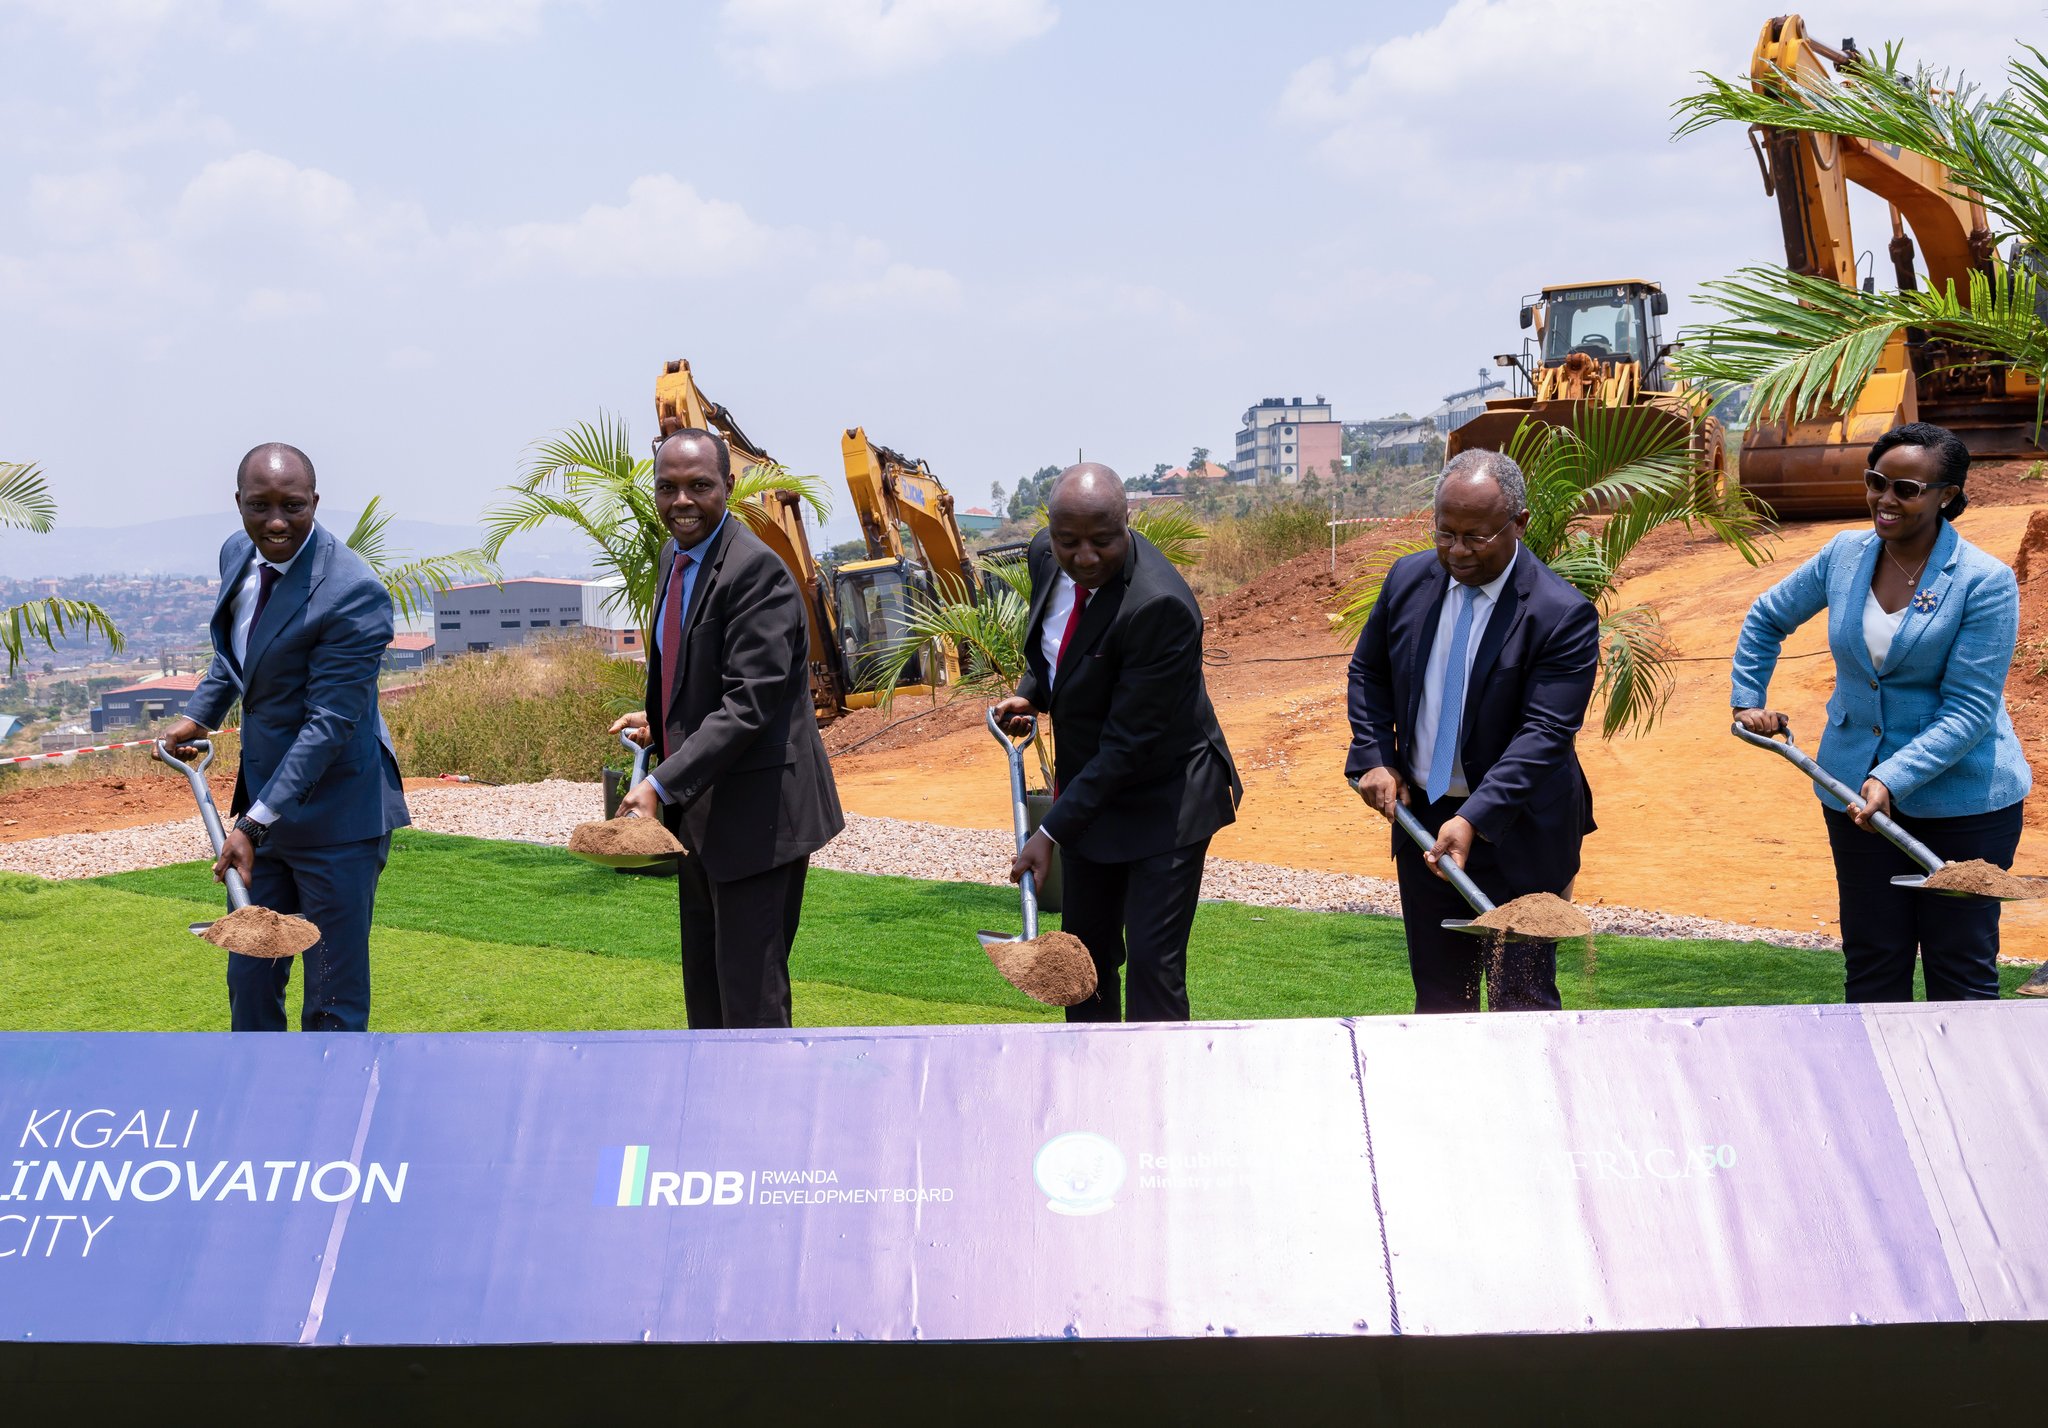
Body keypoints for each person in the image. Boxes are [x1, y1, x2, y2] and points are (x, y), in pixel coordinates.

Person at [1733, 421, 2032, 1001]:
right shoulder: (1844, 555)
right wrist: (1749, 699)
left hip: (1964, 805)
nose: (1885, 499)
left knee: (1961, 968)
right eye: (1877, 482)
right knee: (1872, 962)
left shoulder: (1983, 581)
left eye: (1906, 489)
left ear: (1946, 495)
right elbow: (1766, 616)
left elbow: (1970, 709)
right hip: (1853, 798)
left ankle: (1960, 1067)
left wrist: (1890, 777)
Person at [161, 443, 410, 1032]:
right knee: (249, 979)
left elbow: (330, 724)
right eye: (260, 506)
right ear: (239, 503)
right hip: (264, 809)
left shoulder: (353, 592)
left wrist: (250, 826)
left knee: (330, 996)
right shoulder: (237, 552)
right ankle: (258, 1085)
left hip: (338, 816)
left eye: (292, 506)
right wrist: (201, 715)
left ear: (315, 501)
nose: (276, 522)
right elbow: (239, 652)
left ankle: (329, 1091)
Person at [1345, 448, 1599, 1013]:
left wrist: (1474, 818)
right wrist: (1375, 756)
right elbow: (1369, 672)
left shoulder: (1561, 613)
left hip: (1519, 830)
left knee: (1521, 1001)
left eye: (1475, 537)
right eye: (1445, 533)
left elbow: (1545, 733)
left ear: (1519, 523)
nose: (1457, 551)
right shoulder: (1408, 579)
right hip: (1425, 824)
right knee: (1440, 1001)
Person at [612, 428, 844, 1029]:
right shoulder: (676, 558)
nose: (681, 501)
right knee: (707, 997)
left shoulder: (757, 572)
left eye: (699, 486)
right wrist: (660, 724)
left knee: (751, 1005)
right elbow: (698, 672)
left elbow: (748, 703)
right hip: (702, 818)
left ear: (729, 485)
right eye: (667, 488)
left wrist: (658, 784)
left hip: (758, 821)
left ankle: (766, 1097)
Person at [992, 463, 1240, 1022]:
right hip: (1092, 794)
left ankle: (1155, 1077)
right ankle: (1088, 1069)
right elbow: (1060, 647)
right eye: (1069, 541)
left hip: (1165, 799)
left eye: (1102, 540)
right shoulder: (1045, 555)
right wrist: (1033, 694)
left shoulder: (1160, 606)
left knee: (1154, 968)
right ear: (1051, 531)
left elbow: (1129, 745)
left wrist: (1048, 833)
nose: (1084, 557)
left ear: (1127, 522)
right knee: (1083, 960)